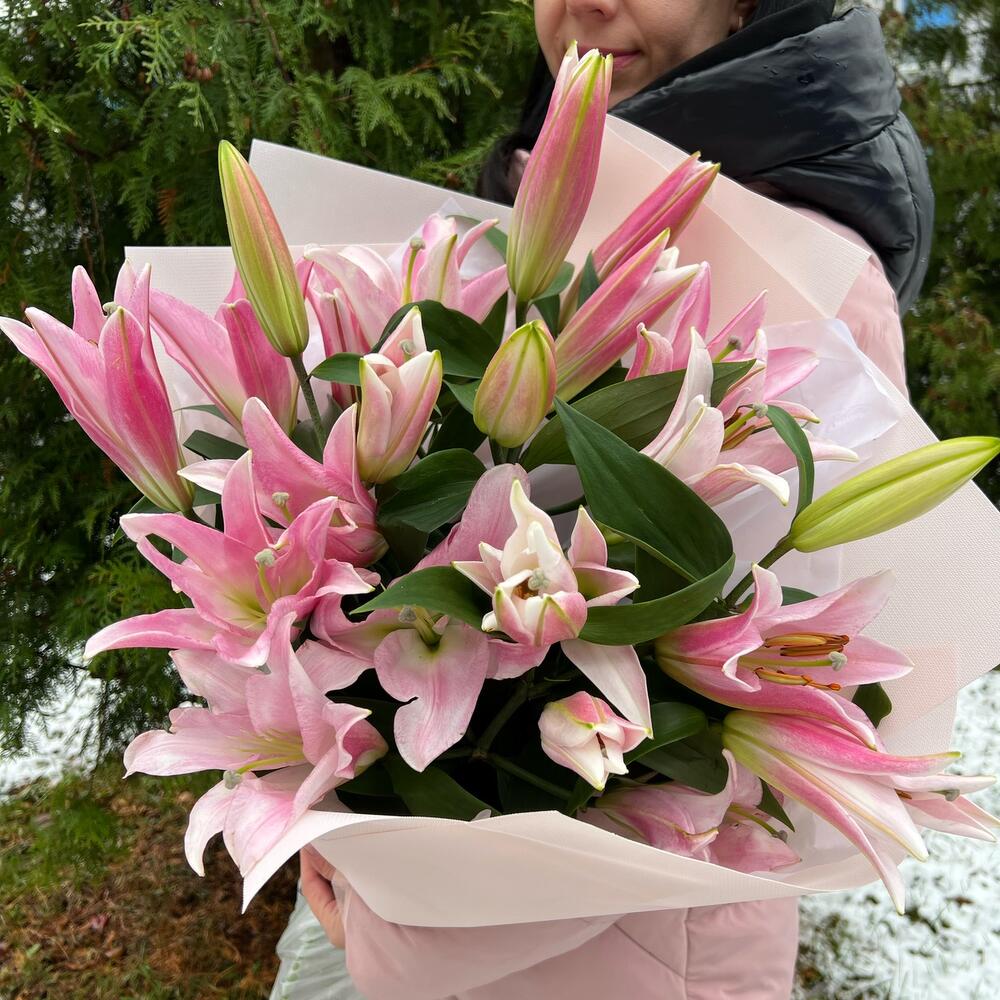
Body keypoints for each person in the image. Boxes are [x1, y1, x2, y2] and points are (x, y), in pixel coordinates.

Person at [271, 1, 933, 997]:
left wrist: (391, 931)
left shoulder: (807, 279)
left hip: (621, 960)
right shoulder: (535, 215)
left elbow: (746, 747)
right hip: (404, 901)